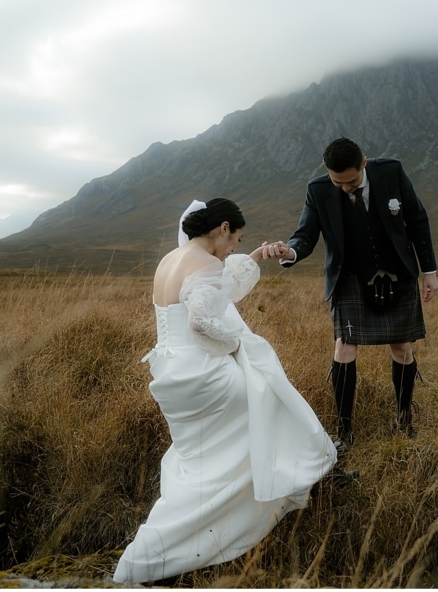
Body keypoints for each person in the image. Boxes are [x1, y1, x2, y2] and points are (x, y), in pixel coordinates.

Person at [113, 198, 339, 585]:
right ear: (222, 228)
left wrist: (249, 258)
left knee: (202, 463)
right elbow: (201, 322)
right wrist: (235, 346)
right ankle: (280, 485)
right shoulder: (206, 263)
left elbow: (215, 294)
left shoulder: (170, 260)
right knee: (265, 415)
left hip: (170, 374)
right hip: (206, 376)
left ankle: (147, 554)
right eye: (235, 239)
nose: (233, 247)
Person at [264, 137, 438, 445]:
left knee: (403, 348)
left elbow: (417, 219)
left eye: (352, 181)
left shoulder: (392, 172)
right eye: (338, 182)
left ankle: (404, 419)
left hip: (397, 271)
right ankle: (344, 431)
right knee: (344, 347)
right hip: (350, 277)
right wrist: (289, 252)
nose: (345, 187)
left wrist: (430, 272)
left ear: (364, 163)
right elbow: (305, 234)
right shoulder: (317, 189)